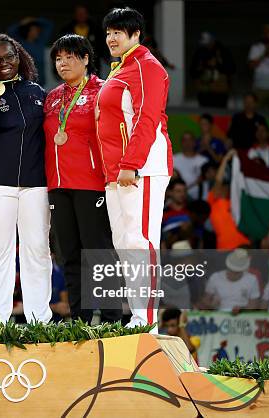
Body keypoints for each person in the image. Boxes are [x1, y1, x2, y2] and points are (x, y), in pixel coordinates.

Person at [97, 8, 173, 331]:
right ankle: (138, 316)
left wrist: (131, 164)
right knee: (124, 242)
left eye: (119, 32)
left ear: (136, 34)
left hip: (141, 167)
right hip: (117, 172)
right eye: (109, 33)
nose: (112, 38)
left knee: (141, 241)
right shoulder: (121, 69)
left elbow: (147, 118)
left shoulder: (147, 67)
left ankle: (147, 321)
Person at [0, 33, 52, 324]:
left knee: (38, 252)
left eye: (9, 57)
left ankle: (39, 321)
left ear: (19, 58)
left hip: (36, 186)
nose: (3, 63)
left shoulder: (39, 94)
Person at [43, 34, 121, 323]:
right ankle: (79, 320)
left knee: (98, 253)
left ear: (86, 58)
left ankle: (112, 319)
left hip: (92, 184)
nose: (63, 63)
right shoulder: (52, 97)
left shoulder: (104, 91)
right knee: (70, 255)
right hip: (58, 185)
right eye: (59, 58)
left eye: (70, 57)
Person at [199, 249, 260, 313]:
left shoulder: (252, 279)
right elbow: (205, 301)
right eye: (232, 270)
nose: (233, 273)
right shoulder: (215, 277)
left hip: (242, 318)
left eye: (237, 272)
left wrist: (242, 310)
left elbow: (254, 305)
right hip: (218, 315)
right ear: (227, 266)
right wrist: (212, 305)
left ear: (243, 270)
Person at [190, 31, 235, 108]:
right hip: (204, 90)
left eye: (208, 43)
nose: (207, 46)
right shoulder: (199, 52)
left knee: (220, 112)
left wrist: (218, 64)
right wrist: (205, 66)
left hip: (220, 91)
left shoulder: (223, 51)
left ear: (213, 41)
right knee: (204, 111)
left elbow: (231, 69)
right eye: (205, 44)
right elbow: (193, 71)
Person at [8, 17, 53, 87]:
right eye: (34, 30)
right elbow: (11, 31)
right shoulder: (20, 43)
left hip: (40, 81)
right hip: (25, 81)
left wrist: (34, 19)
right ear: (28, 31)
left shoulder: (41, 42)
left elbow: (49, 25)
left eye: (38, 30)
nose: (37, 32)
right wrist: (22, 23)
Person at [174, 132, 208, 200]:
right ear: (181, 143)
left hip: (200, 200)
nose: (187, 142)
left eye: (190, 140)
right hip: (179, 200)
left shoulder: (204, 160)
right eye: (185, 140)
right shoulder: (173, 159)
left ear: (195, 142)